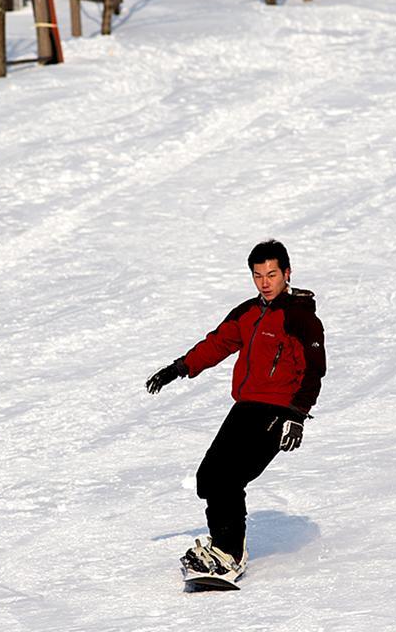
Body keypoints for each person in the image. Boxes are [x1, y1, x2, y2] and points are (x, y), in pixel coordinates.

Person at [146, 239, 326, 583]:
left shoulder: (301, 318)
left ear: (287, 273)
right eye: (258, 275)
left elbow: (314, 369)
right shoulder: (248, 312)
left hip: (277, 410)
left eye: (272, 274)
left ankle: (230, 553)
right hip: (245, 407)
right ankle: (221, 546)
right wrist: (179, 368)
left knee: (229, 479)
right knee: (209, 477)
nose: (265, 282)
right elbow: (219, 343)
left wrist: (297, 415)